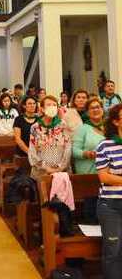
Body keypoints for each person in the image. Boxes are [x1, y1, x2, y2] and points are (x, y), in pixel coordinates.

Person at [96, 104, 122, 279]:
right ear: (115, 121)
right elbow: (104, 177)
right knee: (114, 250)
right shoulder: (105, 145)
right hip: (111, 205)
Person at [28, 95, 71, 180]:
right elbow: (32, 151)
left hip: (61, 172)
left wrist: (60, 167)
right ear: (42, 109)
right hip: (41, 173)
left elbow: (68, 148)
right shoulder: (35, 127)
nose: (52, 107)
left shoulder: (63, 125)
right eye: (49, 105)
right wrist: (46, 168)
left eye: (54, 105)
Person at [73, 97, 105, 174]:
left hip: (107, 174)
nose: (95, 110)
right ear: (87, 112)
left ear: (102, 109)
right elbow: (74, 150)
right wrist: (86, 154)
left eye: (98, 107)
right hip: (88, 174)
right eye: (92, 108)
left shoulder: (110, 127)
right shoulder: (82, 129)